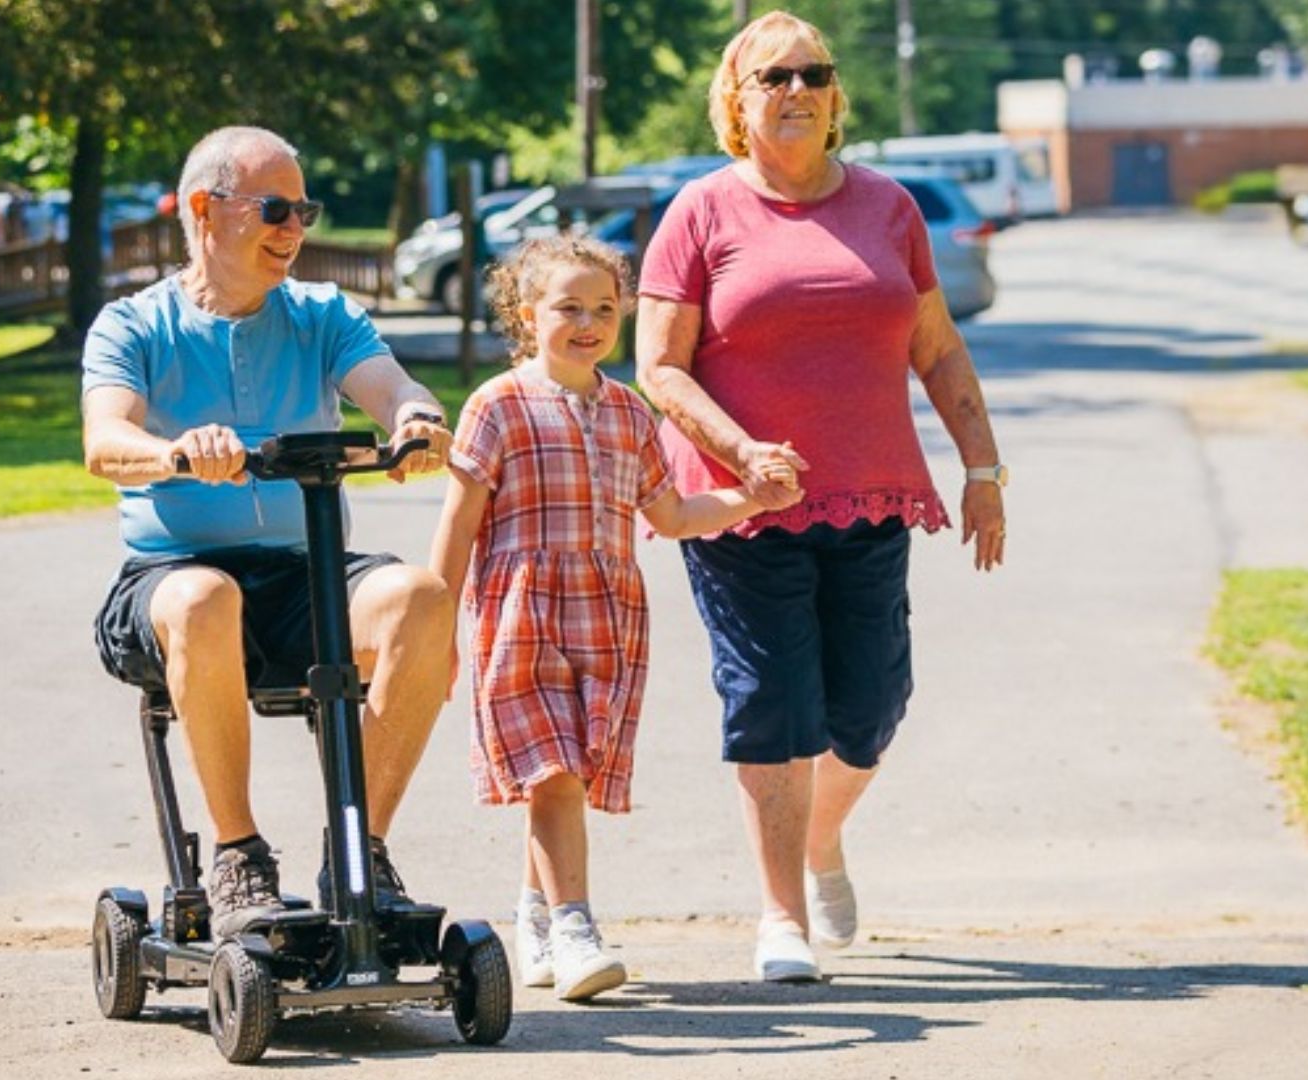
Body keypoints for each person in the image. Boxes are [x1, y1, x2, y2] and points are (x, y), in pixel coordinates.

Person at [635, 12, 1009, 983]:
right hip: (739, 511)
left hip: (873, 496)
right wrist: (741, 450)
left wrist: (982, 469)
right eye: (773, 77)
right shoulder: (701, 213)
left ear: (836, 97)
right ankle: (780, 917)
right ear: (737, 100)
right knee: (773, 705)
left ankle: (819, 839)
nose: (796, 89)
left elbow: (938, 349)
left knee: (871, 707)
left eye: (814, 74)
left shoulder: (889, 208)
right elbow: (660, 371)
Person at [81, 126, 456, 942]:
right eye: (277, 209)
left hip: (301, 574)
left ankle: (361, 852)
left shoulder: (321, 314)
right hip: (169, 581)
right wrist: (176, 453)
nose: (295, 229)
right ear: (205, 211)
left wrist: (418, 419)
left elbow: (392, 388)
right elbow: (105, 441)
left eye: (304, 210)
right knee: (206, 598)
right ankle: (238, 854)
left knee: (418, 598)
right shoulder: (132, 324)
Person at [430, 235, 799, 1001]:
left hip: (608, 620)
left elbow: (672, 511)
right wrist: (435, 635)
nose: (589, 322)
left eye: (605, 308)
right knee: (553, 773)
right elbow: (457, 527)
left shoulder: (632, 413)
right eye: (568, 307)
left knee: (562, 777)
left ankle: (532, 921)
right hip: (519, 617)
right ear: (527, 316)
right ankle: (574, 928)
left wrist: (750, 498)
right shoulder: (495, 405)